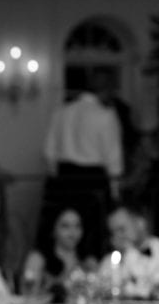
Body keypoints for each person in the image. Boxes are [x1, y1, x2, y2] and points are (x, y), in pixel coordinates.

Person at [42, 72, 124, 257]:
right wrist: (115, 191)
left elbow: (48, 152)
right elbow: (113, 157)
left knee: (62, 225)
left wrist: (55, 180)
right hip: (93, 180)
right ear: (105, 91)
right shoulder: (106, 115)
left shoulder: (62, 111)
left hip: (64, 178)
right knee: (93, 231)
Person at [21, 207, 98, 303]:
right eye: (65, 226)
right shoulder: (37, 258)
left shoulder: (88, 261)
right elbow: (28, 295)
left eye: (77, 226)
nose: (72, 232)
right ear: (53, 229)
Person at [107, 203, 159, 297]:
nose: (117, 236)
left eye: (121, 229)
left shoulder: (156, 249)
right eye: (113, 232)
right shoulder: (112, 260)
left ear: (140, 223)